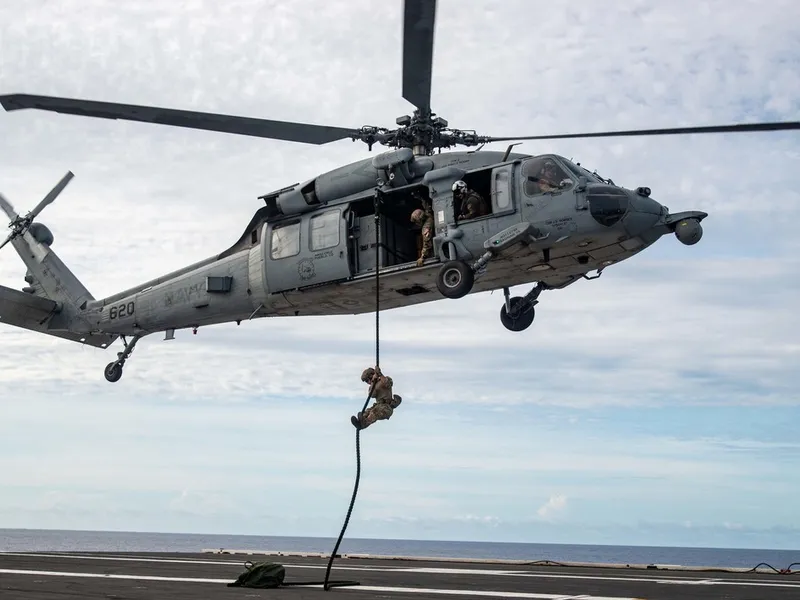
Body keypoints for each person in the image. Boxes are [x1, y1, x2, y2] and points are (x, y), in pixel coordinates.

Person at [410, 198, 434, 267]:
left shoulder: (426, 227)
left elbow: (427, 243)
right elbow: (427, 207)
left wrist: (422, 257)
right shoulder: (429, 215)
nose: (416, 224)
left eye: (416, 222)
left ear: (420, 220)